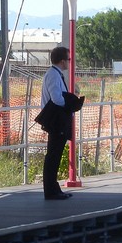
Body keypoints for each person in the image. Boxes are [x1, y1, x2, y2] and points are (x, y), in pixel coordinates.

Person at [39, 46, 84, 200]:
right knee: (53, 155)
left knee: (55, 155)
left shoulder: (54, 74)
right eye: (68, 59)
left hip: (56, 119)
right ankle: (50, 190)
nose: (69, 62)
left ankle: (53, 188)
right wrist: (69, 103)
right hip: (55, 120)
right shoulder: (53, 75)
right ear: (62, 60)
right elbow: (56, 98)